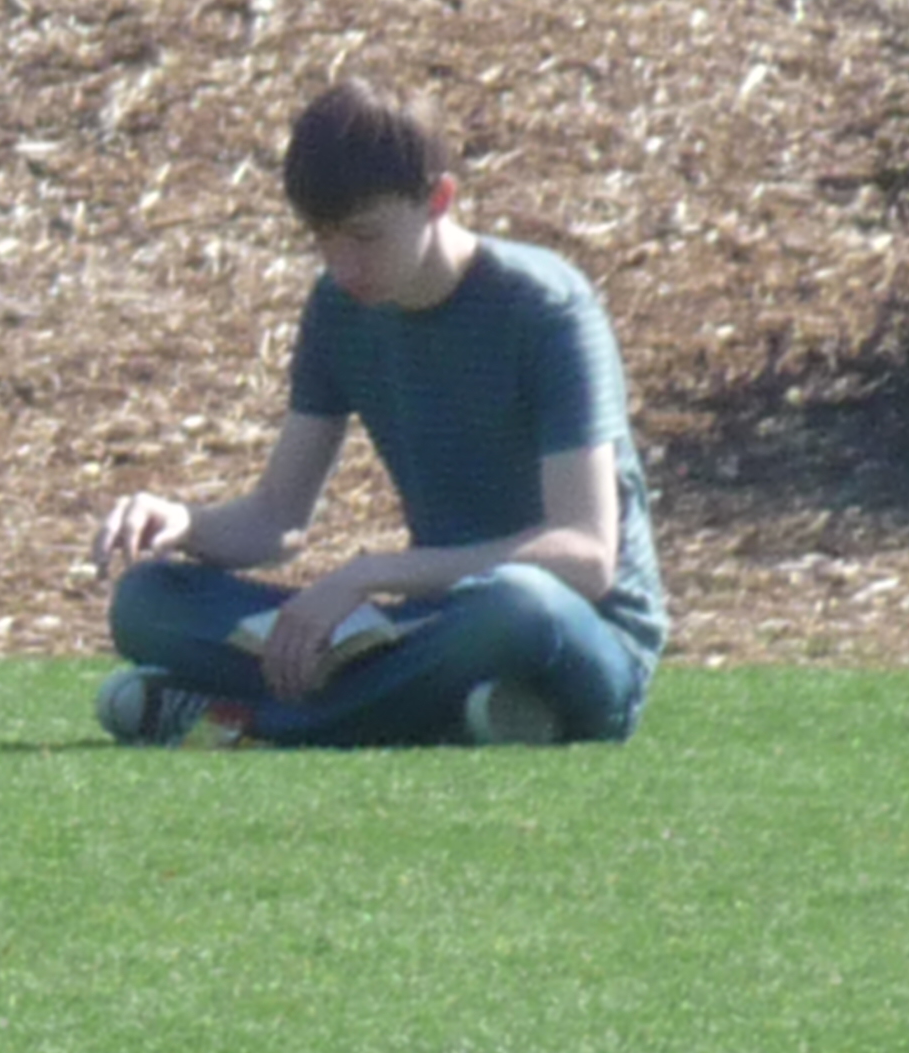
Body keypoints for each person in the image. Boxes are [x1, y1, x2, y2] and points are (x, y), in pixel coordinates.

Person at [90, 76, 666, 750]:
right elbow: (277, 519)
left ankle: (262, 724)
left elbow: (586, 556)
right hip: (429, 632)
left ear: (439, 199)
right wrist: (183, 523)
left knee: (515, 604)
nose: (342, 266)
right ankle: (461, 714)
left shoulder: (547, 308)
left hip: (578, 637)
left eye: (364, 237)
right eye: (322, 239)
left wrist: (370, 574)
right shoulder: (339, 309)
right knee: (149, 604)